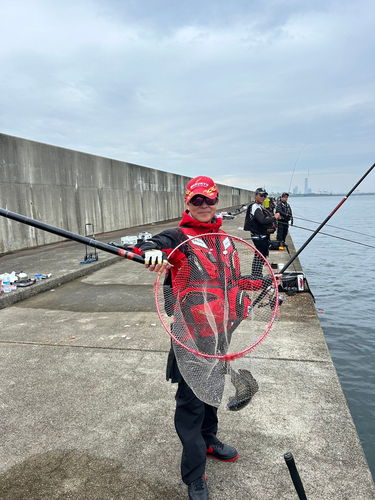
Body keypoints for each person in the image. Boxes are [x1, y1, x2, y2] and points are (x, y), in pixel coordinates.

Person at [133, 176, 276, 500]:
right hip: (191, 338)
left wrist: (264, 282)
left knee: (212, 390)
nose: (203, 205)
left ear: (216, 202)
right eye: (196, 201)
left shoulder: (224, 239)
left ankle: (209, 440)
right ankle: (194, 474)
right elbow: (148, 245)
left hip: (220, 333)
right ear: (187, 203)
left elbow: (234, 281)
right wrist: (151, 253)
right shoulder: (178, 237)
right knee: (190, 404)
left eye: (208, 200)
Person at [244, 188, 281, 277]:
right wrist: (275, 218)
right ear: (256, 195)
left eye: (264, 195)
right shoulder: (255, 207)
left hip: (261, 235)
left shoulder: (258, 206)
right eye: (261, 195)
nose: (263, 197)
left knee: (261, 255)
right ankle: (256, 275)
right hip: (259, 236)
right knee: (259, 255)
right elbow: (262, 220)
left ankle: (257, 274)